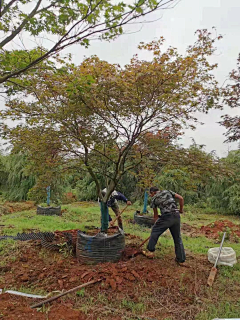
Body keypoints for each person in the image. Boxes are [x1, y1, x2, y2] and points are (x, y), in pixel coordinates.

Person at [143, 187, 186, 263]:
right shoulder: (168, 191)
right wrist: (181, 210)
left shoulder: (154, 199)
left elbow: (155, 216)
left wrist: (156, 224)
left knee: (155, 232)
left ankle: (150, 252)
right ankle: (181, 259)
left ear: (153, 192)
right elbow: (181, 198)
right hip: (176, 216)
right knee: (177, 238)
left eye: (150, 194)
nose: (150, 195)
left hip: (166, 216)